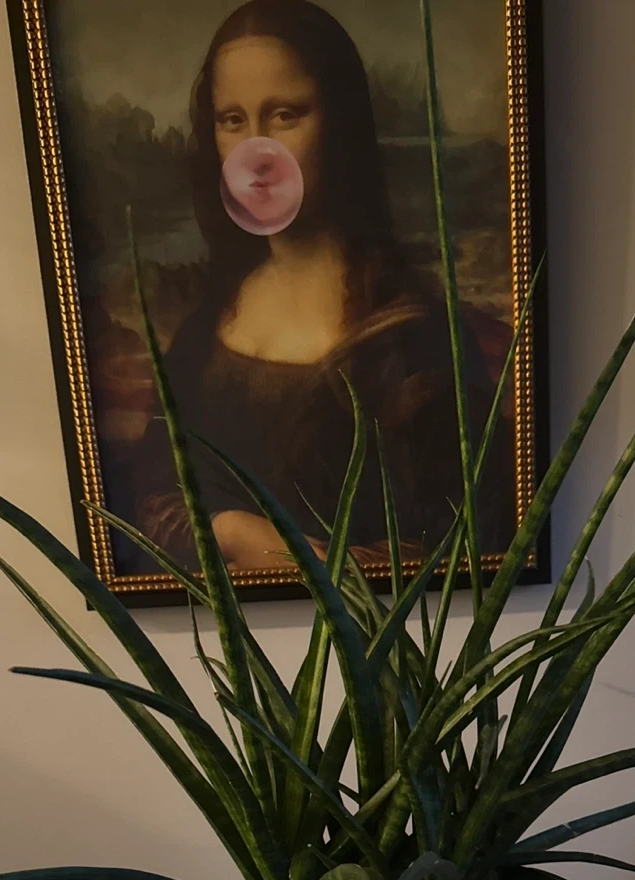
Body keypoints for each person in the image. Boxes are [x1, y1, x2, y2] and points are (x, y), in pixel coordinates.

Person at [111, 0, 515, 576]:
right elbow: (153, 491)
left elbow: (461, 546)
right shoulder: (206, 332)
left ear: (340, 125)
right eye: (232, 120)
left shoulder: (415, 338)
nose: (257, 152)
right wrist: (233, 531)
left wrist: (301, 562)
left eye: (284, 115)